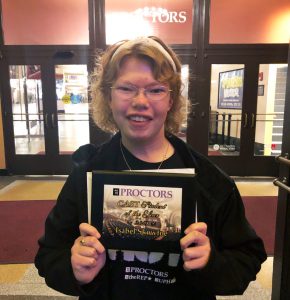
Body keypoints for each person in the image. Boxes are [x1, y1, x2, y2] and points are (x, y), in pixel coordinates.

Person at [35, 36, 267, 300]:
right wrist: (74, 269)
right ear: (108, 97)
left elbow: (247, 259)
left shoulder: (210, 181)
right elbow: (48, 255)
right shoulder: (86, 174)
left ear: (171, 100)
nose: (140, 101)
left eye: (156, 90)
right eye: (126, 88)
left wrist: (211, 263)